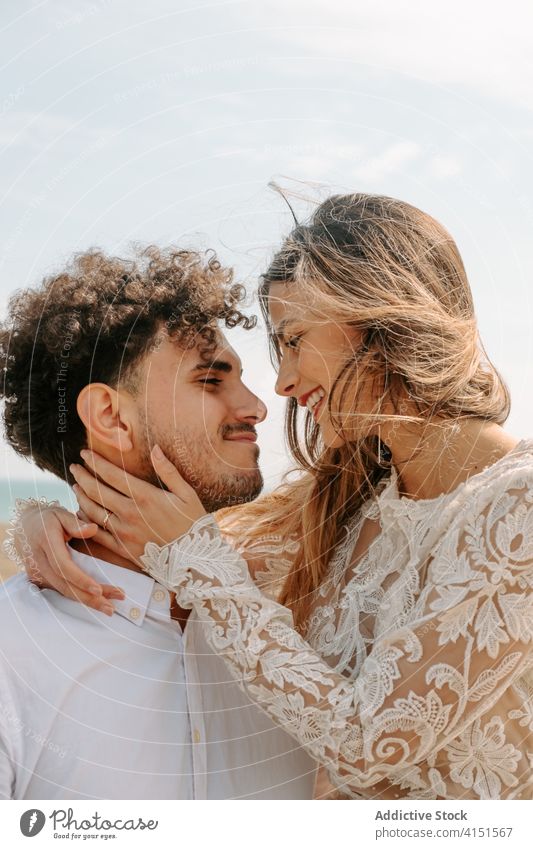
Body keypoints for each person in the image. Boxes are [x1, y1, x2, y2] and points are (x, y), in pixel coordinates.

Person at [11, 194, 533, 799]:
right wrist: (50, 522)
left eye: (293, 340)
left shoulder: (518, 505)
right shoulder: (351, 500)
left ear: (379, 320)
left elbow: (367, 746)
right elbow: (177, 545)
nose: (280, 385)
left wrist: (192, 553)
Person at [0, 246, 316, 799]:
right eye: (210, 381)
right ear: (111, 417)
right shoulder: (14, 654)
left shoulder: (297, 614)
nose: (256, 407)